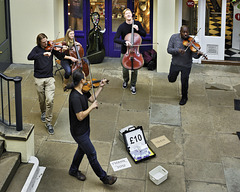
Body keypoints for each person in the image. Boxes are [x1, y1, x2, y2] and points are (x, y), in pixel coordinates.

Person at [65, 69, 117, 185]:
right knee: (92, 153)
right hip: (79, 132)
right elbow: (80, 116)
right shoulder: (75, 97)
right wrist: (91, 107)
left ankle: (73, 170)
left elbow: (92, 99)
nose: (87, 78)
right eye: (85, 77)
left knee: (81, 150)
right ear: (81, 80)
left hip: (85, 128)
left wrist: (100, 87)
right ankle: (104, 178)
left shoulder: (83, 90)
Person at [27, 33, 65, 134]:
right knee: (42, 99)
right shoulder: (36, 49)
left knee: (50, 100)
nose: (46, 44)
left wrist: (62, 51)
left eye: (46, 41)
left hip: (49, 78)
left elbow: (61, 57)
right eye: (43, 42)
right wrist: (42, 54)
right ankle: (43, 112)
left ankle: (48, 122)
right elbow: (29, 57)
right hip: (39, 78)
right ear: (39, 42)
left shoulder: (51, 47)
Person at [167, 25, 203, 105]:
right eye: (184, 32)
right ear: (180, 32)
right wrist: (178, 50)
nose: (186, 34)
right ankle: (171, 77)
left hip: (186, 65)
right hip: (175, 63)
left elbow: (194, 56)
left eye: (187, 32)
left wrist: (198, 54)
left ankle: (184, 97)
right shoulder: (174, 37)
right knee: (171, 79)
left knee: (184, 82)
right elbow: (169, 50)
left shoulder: (191, 41)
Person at [114, 8, 146, 95]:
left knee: (135, 69)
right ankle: (125, 80)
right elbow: (115, 39)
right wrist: (125, 42)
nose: (128, 15)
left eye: (129, 13)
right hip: (125, 52)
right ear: (124, 16)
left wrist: (138, 29)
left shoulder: (137, 23)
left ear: (132, 14)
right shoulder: (122, 26)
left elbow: (144, 34)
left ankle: (133, 85)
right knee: (125, 68)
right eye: (126, 14)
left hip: (135, 52)